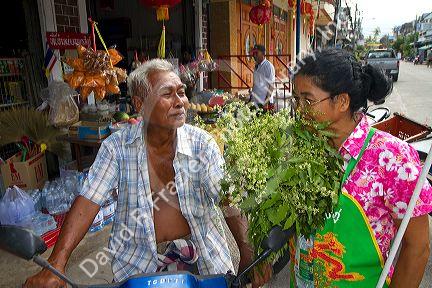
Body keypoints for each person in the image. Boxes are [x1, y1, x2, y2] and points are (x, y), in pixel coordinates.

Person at [24, 59, 271, 288]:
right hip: (138, 266)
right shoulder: (117, 147)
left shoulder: (202, 145)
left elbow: (228, 198)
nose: (179, 101)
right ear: (140, 104)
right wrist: (57, 262)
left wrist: (248, 250)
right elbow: (89, 200)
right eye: (167, 93)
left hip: (202, 263)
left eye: (182, 92)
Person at [290, 49, 432, 288]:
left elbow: (417, 248)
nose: (299, 110)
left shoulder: (391, 159)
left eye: (308, 100)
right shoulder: (304, 146)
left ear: (342, 101)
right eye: (296, 100)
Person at [250, 44, 275, 109]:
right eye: (253, 53)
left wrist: (266, 102)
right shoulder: (256, 66)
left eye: (256, 53)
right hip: (255, 101)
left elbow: (271, 86)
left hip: (264, 102)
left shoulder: (268, 66)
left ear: (263, 54)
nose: (254, 56)